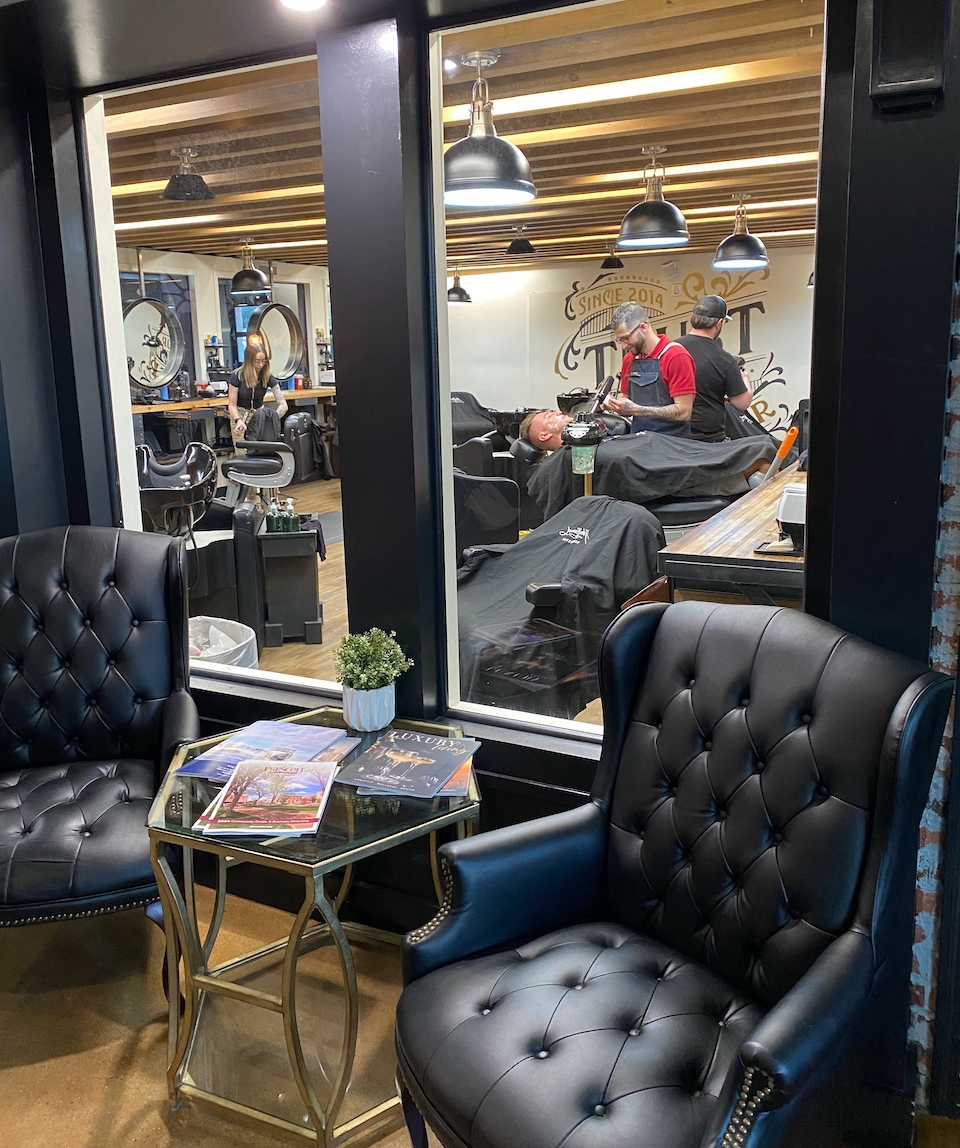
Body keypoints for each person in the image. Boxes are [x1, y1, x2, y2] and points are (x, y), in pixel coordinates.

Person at [602, 301, 697, 436]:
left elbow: (684, 411)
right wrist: (614, 405)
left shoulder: (676, 356)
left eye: (626, 338)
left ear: (643, 327)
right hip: (639, 441)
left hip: (672, 444)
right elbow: (627, 403)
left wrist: (637, 410)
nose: (623, 346)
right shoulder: (629, 359)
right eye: (620, 340)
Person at [677, 295, 753, 442]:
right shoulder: (725, 359)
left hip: (672, 436)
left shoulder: (671, 349)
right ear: (719, 323)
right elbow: (742, 403)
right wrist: (745, 379)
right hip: (708, 440)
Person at [227, 341, 288, 444]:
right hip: (240, 416)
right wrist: (238, 420)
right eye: (257, 361)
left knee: (260, 449)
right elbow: (232, 405)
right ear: (249, 360)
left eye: (264, 361)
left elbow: (283, 404)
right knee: (242, 450)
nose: (260, 365)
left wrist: (272, 419)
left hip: (259, 417)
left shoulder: (268, 377)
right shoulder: (237, 376)